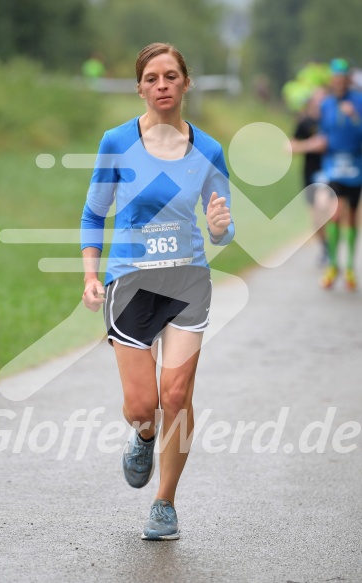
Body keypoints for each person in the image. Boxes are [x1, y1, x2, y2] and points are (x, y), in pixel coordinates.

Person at [80, 42, 235, 540]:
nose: (162, 85)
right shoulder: (116, 142)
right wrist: (89, 273)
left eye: (171, 76)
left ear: (186, 83)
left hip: (188, 277)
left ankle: (164, 502)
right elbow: (92, 215)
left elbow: (222, 228)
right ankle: (143, 435)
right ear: (140, 87)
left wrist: (218, 227)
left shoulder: (208, 149)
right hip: (132, 282)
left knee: (177, 393)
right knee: (143, 405)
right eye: (152, 78)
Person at [290, 58, 362, 290]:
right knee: (335, 214)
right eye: (335, 79)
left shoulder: (359, 101)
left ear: (347, 81)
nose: (338, 83)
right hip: (333, 165)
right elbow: (318, 129)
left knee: (351, 218)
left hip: (355, 165)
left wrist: (354, 118)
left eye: (342, 80)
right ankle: (333, 264)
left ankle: (350, 267)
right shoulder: (327, 105)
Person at [292, 86, 329, 266]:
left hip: (331, 173)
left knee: (327, 209)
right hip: (311, 172)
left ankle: (333, 248)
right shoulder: (305, 123)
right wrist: (313, 145)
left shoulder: (333, 121)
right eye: (317, 100)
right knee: (316, 216)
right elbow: (291, 147)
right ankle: (326, 247)